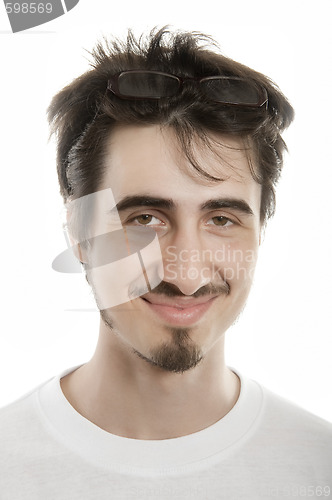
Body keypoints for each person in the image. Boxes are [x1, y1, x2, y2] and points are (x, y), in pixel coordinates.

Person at [0, 27, 331, 499]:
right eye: (146, 217)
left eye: (221, 218)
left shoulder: (320, 468)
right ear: (78, 231)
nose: (185, 275)